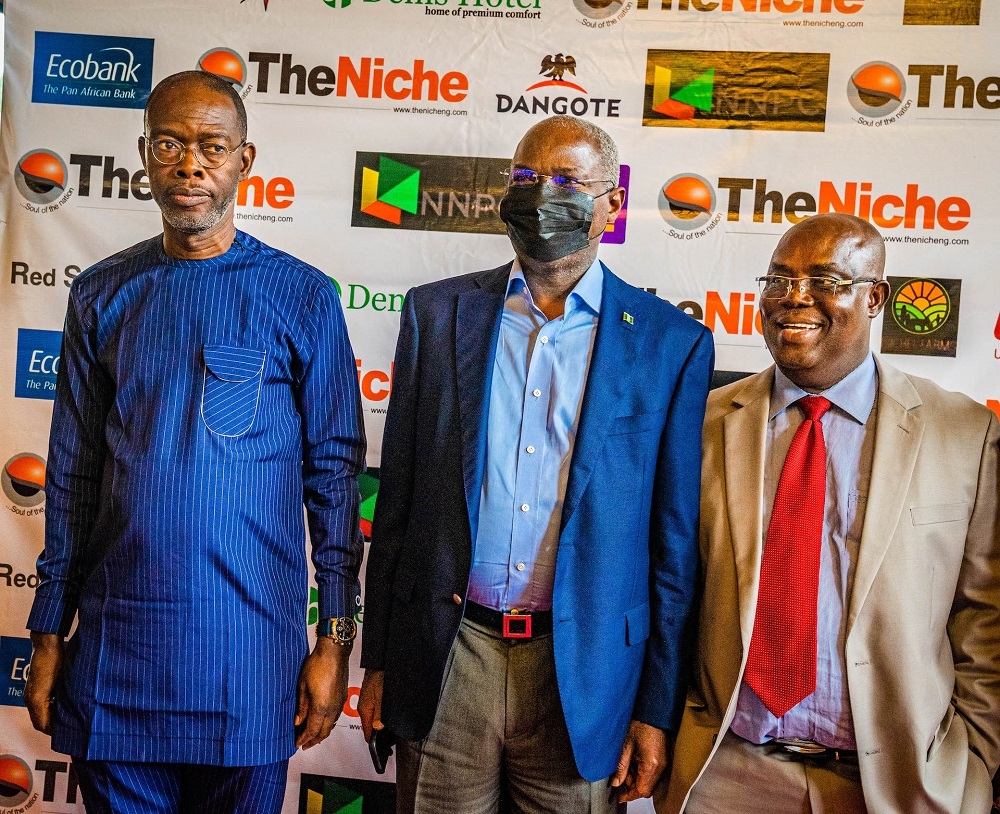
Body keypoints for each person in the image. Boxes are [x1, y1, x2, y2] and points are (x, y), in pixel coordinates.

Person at [23, 70, 366, 814]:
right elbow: (73, 476)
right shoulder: (103, 294)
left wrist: (334, 643)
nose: (191, 165)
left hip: (249, 665)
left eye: (213, 146)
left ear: (245, 161)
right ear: (142, 154)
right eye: (170, 145)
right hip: (119, 659)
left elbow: (335, 481)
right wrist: (48, 630)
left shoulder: (301, 296)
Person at [357, 115, 715, 813]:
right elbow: (396, 503)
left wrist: (656, 709)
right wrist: (379, 661)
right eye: (524, 178)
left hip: (585, 679)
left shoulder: (671, 345)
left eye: (566, 181)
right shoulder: (437, 315)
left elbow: (673, 551)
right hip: (448, 659)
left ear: (610, 204)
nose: (540, 194)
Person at [658, 213, 1000, 814]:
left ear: (876, 299)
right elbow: (667, 592)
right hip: (726, 774)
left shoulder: (964, 433)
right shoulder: (702, 424)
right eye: (779, 279)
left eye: (826, 280)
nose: (795, 298)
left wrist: (975, 761)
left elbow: (984, 619)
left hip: (894, 786)